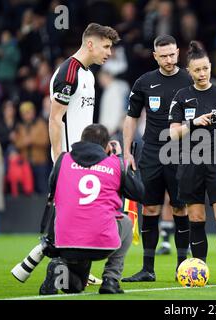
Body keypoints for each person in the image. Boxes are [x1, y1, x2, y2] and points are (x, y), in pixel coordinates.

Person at [48, 22, 120, 285]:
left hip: (87, 157)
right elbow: (55, 118)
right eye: (106, 46)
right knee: (67, 218)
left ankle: (77, 269)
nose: (109, 52)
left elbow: (83, 121)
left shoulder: (88, 75)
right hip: (69, 159)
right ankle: (61, 271)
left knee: (84, 216)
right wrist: (59, 158)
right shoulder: (69, 72)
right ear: (90, 43)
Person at [39, 124, 144, 295]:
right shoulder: (114, 164)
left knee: (77, 285)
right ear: (106, 146)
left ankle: (60, 268)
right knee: (125, 221)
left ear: (81, 140)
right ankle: (110, 279)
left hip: (66, 242)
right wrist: (119, 159)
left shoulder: (63, 160)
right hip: (100, 242)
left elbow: (52, 188)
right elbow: (140, 193)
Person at [169, 41, 216, 285]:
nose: (202, 74)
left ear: (211, 67)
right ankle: (198, 271)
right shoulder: (182, 96)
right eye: (197, 70)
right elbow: (172, 133)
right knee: (196, 219)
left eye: (205, 69)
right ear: (189, 72)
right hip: (190, 164)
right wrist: (194, 123)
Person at [122, 35, 192, 283]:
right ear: (155, 56)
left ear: (178, 52)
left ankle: (182, 266)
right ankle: (147, 269)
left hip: (181, 152)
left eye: (172, 54)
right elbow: (131, 117)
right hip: (151, 151)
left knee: (179, 206)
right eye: (163, 56)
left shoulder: (190, 78)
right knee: (150, 207)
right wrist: (127, 150)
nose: (169, 60)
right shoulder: (144, 82)